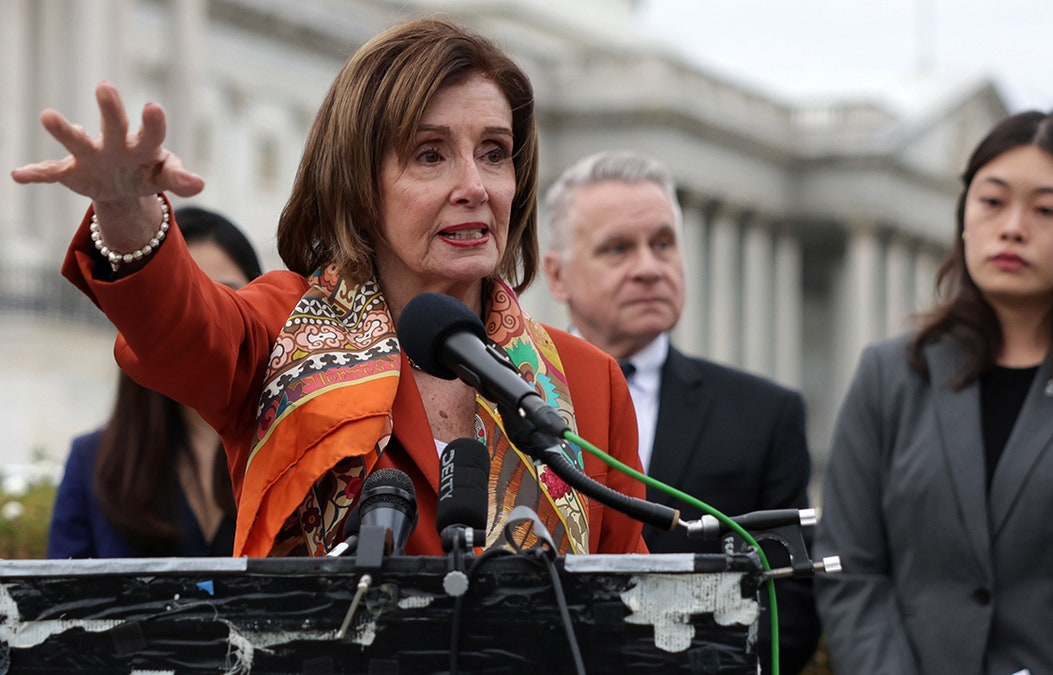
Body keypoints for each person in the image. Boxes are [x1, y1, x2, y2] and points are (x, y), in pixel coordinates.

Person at [13, 18, 648, 559]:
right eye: (430, 155)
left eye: (494, 152)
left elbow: (635, 615)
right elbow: (181, 328)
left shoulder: (588, 384)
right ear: (358, 184)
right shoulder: (282, 330)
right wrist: (127, 211)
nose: (474, 187)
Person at [813, 110, 1053, 674]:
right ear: (964, 213)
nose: (1013, 227)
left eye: (1046, 210)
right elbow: (849, 569)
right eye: (992, 202)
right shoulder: (888, 376)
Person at [542, 150, 820, 673]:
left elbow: (791, 609)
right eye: (618, 248)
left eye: (663, 243)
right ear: (557, 276)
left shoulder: (765, 414)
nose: (649, 268)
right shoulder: (505, 400)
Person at [48, 206, 262, 558]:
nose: (204, 319)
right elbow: (60, 609)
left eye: (225, 296)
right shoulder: (93, 463)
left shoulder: (297, 453)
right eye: (182, 299)